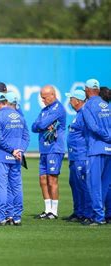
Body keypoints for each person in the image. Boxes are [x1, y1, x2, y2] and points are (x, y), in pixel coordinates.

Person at [0, 93, 29, 226]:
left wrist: (12, 150)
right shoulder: (20, 117)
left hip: (1, 156)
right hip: (16, 158)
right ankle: (16, 217)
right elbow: (26, 137)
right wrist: (19, 151)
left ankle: (1, 217)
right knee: (16, 187)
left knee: (2, 188)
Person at [32, 85, 66, 219]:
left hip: (54, 148)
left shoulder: (58, 108)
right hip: (44, 149)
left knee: (52, 179)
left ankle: (54, 211)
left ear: (53, 95)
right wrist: (42, 124)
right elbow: (34, 126)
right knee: (43, 179)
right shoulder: (45, 110)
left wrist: (42, 124)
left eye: (45, 98)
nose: (43, 100)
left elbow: (40, 124)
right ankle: (47, 209)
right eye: (41, 98)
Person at [82, 79, 111, 226]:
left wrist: (106, 136)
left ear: (87, 90)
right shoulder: (106, 105)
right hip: (109, 149)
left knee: (94, 184)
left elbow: (93, 127)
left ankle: (98, 217)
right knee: (105, 184)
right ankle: (104, 215)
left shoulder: (88, 106)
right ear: (98, 89)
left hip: (96, 148)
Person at [64, 89, 90, 223]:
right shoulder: (78, 114)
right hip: (74, 155)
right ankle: (78, 211)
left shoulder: (84, 114)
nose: (69, 101)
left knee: (82, 184)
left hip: (81, 156)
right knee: (74, 183)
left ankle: (87, 213)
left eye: (71, 98)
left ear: (78, 101)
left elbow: (88, 136)